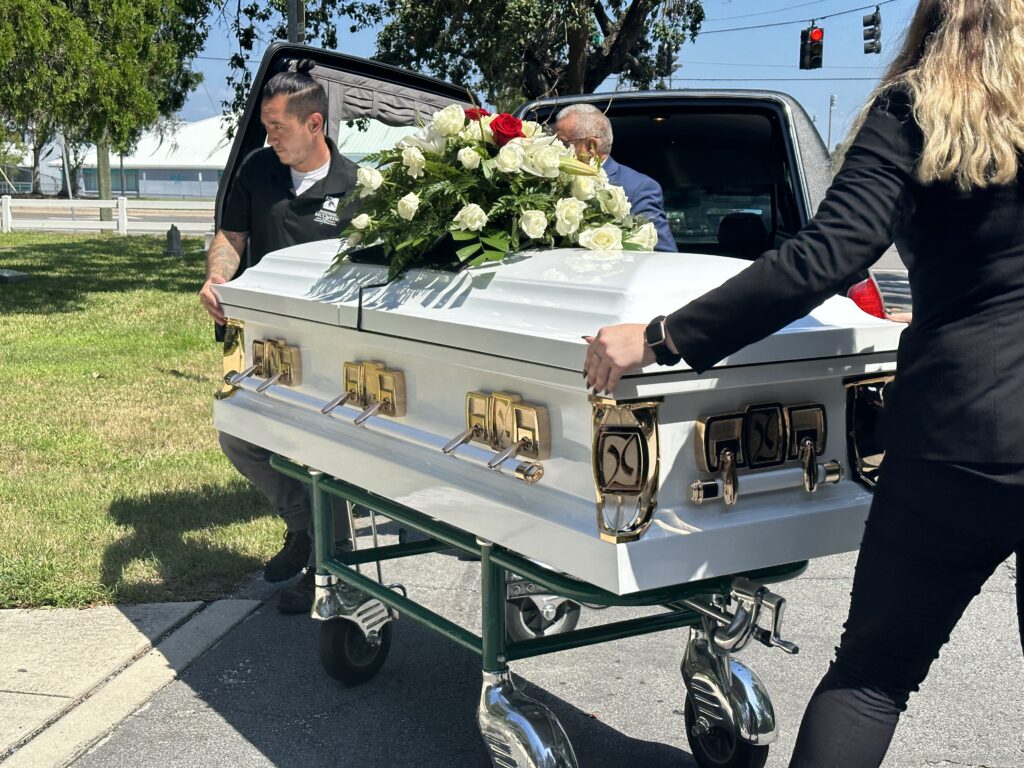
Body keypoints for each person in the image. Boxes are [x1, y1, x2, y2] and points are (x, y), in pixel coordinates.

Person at [584, 1, 1024, 765]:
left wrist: (661, 336)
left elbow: (827, 255)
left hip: (964, 430)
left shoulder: (918, 109)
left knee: (874, 677)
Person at [199, 61, 359, 615]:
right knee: (240, 437)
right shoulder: (256, 170)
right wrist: (219, 275)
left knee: (322, 450)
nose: (269, 137)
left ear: (314, 124)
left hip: (328, 348)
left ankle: (330, 569)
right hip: (260, 337)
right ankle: (303, 528)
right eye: (266, 127)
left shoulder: (358, 186)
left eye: (278, 127)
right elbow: (231, 234)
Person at [553, 104, 676, 253]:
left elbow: (663, 256)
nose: (555, 149)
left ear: (591, 145)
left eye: (562, 143)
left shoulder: (638, 188)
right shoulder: (550, 182)